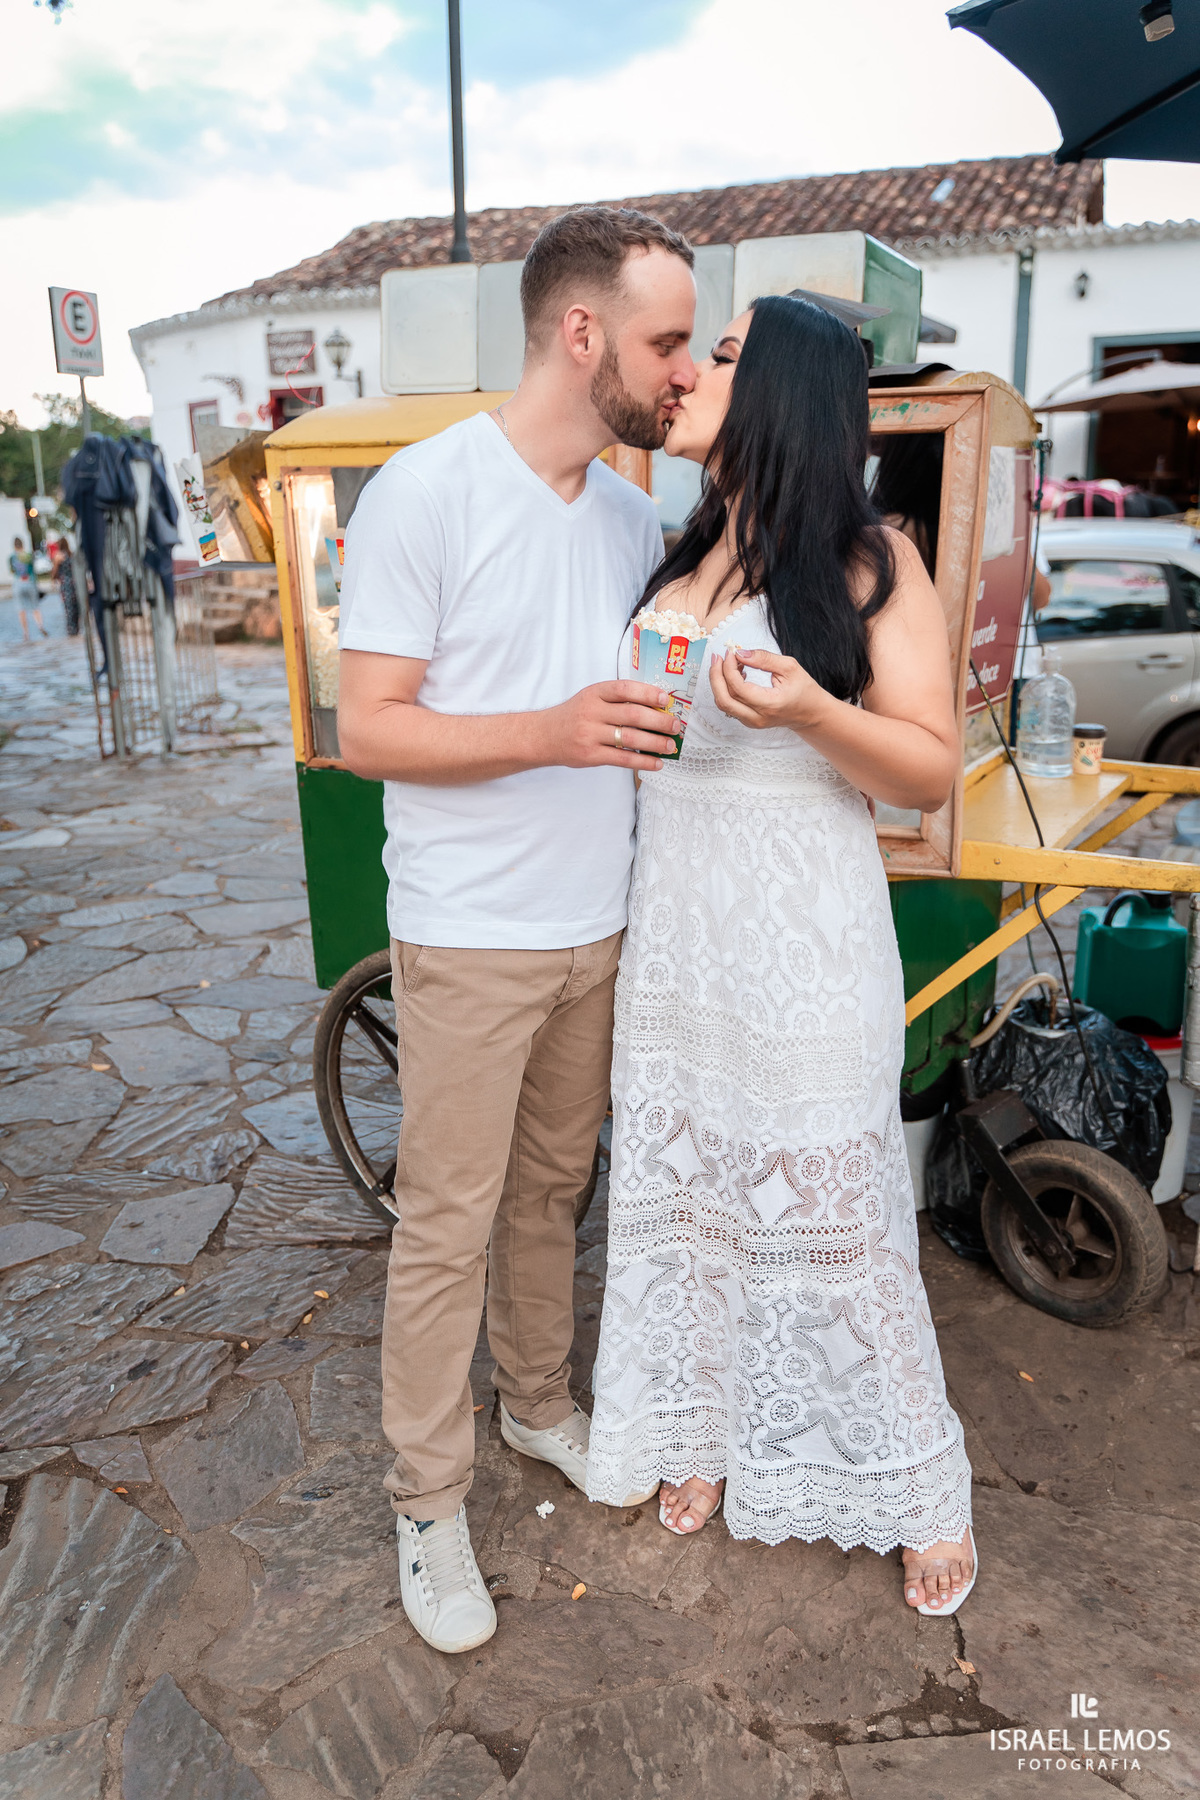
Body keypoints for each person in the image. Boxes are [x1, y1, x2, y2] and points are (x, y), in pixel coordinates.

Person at [336, 206, 698, 1655]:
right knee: (448, 1223)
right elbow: (367, 728)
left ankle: (537, 1404)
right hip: (468, 933)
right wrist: (552, 731)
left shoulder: (632, 517)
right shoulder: (423, 494)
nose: (681, 372)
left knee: (553, 1195)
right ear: (583, 332)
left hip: (595, 927)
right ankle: (427, 1500)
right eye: (668, 341)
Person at [584, 295, 978, 1616]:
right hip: (683, 933)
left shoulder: (874, 564)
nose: (694, 370)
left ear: (790, 395)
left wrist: (813, 707)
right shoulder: (679, 550)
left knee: (833, 1219)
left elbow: (926, 772)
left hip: (805, 937)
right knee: (692, 1208)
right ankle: (697, 1434)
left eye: (729, 354)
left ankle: (920, 1487)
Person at [8, 537, 46, 642]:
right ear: (22, 545)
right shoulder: (29, 556)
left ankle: (26, 633)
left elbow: (12, 570)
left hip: (18, 583)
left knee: (21, 609)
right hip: (30, 582)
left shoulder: (12, 557)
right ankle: (40, 626)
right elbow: (33, 571)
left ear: (14, 546)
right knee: (35, 607)